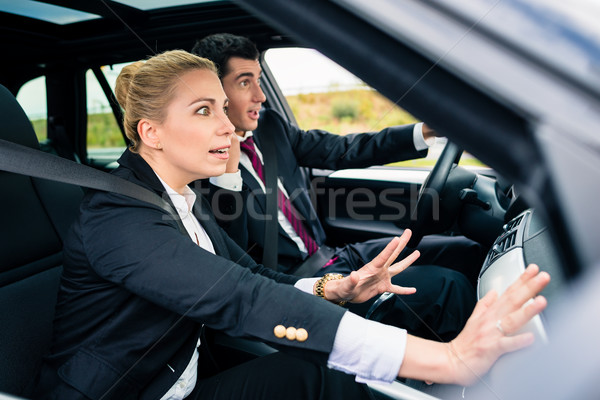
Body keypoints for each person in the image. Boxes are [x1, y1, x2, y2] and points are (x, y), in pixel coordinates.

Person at [35, 50, 550, 400]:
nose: (225, 125)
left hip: (181, 374)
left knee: (325, 372)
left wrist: (340, 287)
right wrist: (448, 360)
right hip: (132, 393)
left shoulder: (181, 202)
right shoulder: (119, 217)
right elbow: (243, 299)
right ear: (152, 132)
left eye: (221, 107)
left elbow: (258, 281)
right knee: (321, 379)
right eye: (202, 110)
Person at [191, 33, 484, 340]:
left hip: (334, 255)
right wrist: (228, 172)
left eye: (259, 80)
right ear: (214, 92)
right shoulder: (200, 171)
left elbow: (342, 148)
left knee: (465, 252)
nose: (260, 96)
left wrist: (425, 131)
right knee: (447, 287)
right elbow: (231, 258)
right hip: (297, 286)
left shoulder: (270, 126)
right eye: (244, 82)